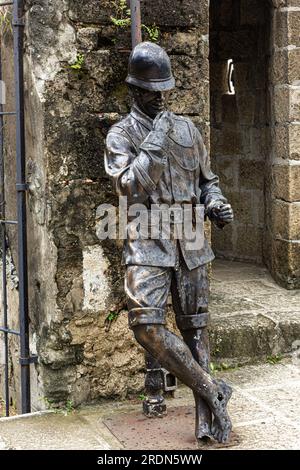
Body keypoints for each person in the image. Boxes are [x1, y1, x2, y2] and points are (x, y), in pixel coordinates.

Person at [105, 42, 234, 444]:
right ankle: (214, 389)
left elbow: (206, 182)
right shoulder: (121, 135)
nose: (160, 97)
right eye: (151, 90)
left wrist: (215, 202)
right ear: (134, 91)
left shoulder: (189, 131)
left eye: (164, 89)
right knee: (147, 327)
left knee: (196, 329)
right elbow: (130, 188)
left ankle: (208, 421)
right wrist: (157, 138)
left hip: (191, 238)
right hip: (147, 238)